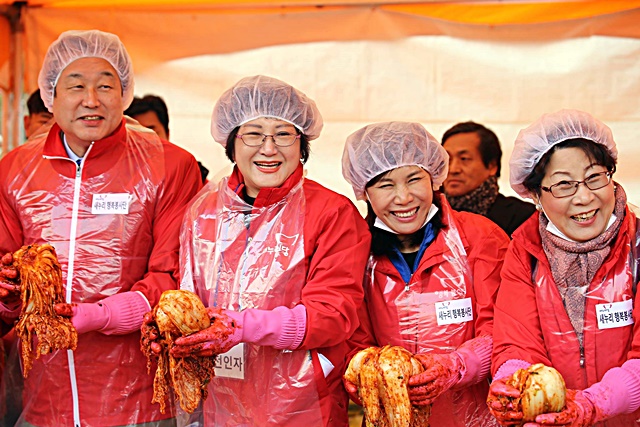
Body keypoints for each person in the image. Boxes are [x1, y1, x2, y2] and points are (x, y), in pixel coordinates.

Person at [0, 29, 202, 426]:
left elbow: (176, 276)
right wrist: (7, 299)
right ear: (50, 96)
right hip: (44, 399)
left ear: (123, 93)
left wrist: (101, 316)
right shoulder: (13, 171)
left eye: (105, 85)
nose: (91, 100)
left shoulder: (169, 165)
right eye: (75, 86)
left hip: (140, 400)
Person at [164, 75, 371, 426]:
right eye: (254, 134)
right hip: (218, 402)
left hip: (302, 406)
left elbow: (334, 314)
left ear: (302, 142)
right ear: (232, 142)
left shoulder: (332, 212)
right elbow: (182, 294)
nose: (269, 148)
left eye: (284, 134)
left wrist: (237, 327)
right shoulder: (203, 211)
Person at [341, 121, 510, 426]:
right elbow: (354, 340)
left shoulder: (478, 236)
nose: (404, 198)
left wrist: (452, 367)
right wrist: (360, 374)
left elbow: (504, 331)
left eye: (414, 179)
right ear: (363, 191)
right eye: (385, 185)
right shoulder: (356, 252)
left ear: (434, 178)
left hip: (476, 418)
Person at [487, 109, 640, 426]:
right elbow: (517, 340)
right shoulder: (525, 251)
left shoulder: (636, 244)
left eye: (595, 177)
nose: (584, 197)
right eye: (563, 185)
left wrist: (591, 404)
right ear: (535, 195)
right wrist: (514, 383)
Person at [442, 121, 535, 236]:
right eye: (447, 159)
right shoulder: (429, 213)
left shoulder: (522, 217)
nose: (453, 169)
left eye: (464, 159)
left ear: (492, 166)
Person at [125, 94, 210, 184]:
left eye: (151, 133)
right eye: (136, 135)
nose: (144, 141)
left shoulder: (193, 177)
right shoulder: (117, 183)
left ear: (167, 134)